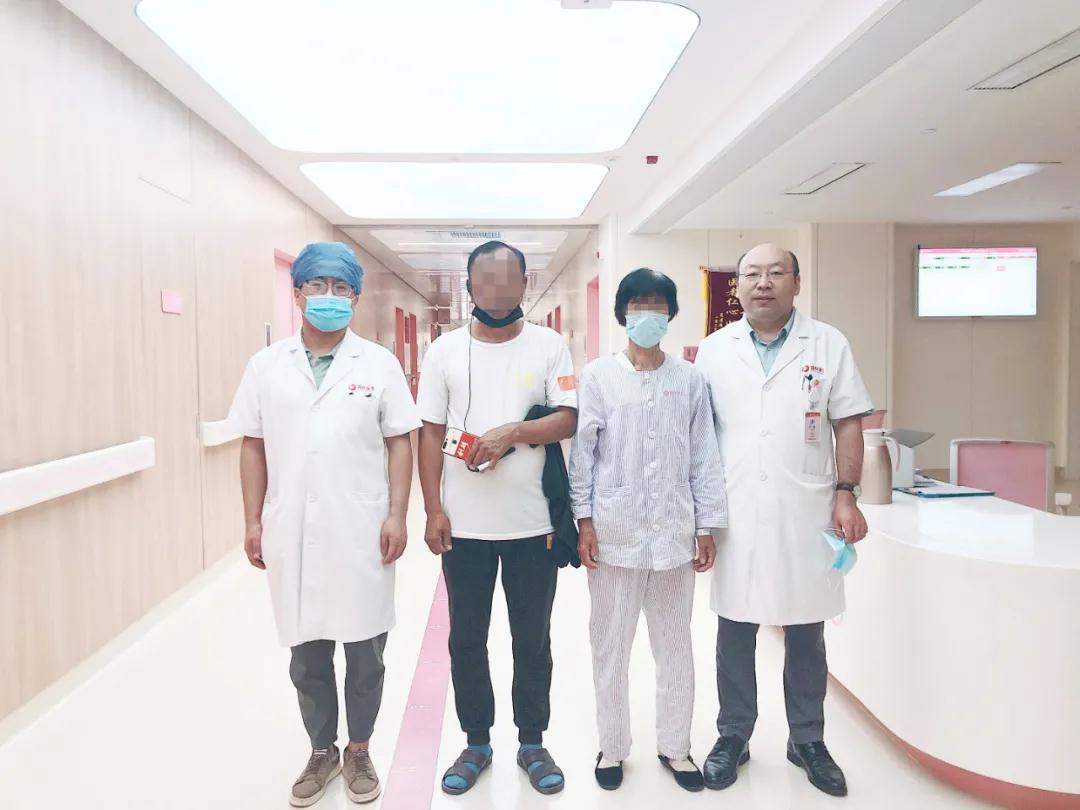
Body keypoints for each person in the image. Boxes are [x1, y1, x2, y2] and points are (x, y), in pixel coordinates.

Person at [227, 242, 421, 807]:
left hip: (361, 527)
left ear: (355, 298)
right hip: (290, 528)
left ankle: (358, 749)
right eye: (318, 286)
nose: (329, 297)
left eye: (341, 289)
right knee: (306, 655)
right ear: (297, 294)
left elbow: (400, 442)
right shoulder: (266, 366)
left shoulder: (379, 364)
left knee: (366, 651)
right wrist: (253, 520)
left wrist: (397, 513)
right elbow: (253, 445)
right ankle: (321, 750)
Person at [694, 243, 873, 798]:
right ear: (738, 287)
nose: (763, 282)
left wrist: (846, 493)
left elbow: (848, 422)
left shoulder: (828, 342)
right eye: (751, 274)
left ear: (797, 282)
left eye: (776, 273)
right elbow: (700, 435)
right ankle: (733, 735)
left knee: (805, 627)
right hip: (736, 508)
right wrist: (699, 515)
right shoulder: (715, 350)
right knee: (735, 625)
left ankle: (807, 740)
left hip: (805, 505)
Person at [416, 240, 578, 796]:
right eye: (485, 279)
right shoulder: (443, 352)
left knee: (532, 639)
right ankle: (476, 742)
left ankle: (532, 741)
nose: (497, 290)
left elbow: (567, 418)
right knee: (466, 638)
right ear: (468, 287)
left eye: (509, 279)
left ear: (525, 284)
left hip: (534, 524)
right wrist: (432, 508)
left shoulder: (550, 346)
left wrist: (514, 432)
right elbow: (430, 433)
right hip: (464, 527)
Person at [569, 268, 727, 793]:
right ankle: (612, 747)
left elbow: (704, 455)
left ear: (670, 314)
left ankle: (676, 747)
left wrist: (706, 526)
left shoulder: (690, 379)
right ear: (622, 313)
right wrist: (584, 521)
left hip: (675, 538)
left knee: (675, 647)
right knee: (610, 647)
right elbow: (583, 455)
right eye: (638, 305)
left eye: (658, 305)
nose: (648, 315)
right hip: (614, 535)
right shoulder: (598, 377)